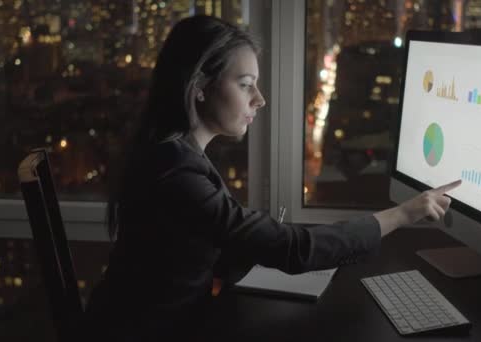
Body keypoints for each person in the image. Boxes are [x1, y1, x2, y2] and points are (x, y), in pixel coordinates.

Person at [83, 15, 461, 341]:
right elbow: (292, 249)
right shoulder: (177, 172)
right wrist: (402, 214)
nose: (260, 99)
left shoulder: (172, 155)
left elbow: (216, 242)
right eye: (245, 84)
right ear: (199, 86)